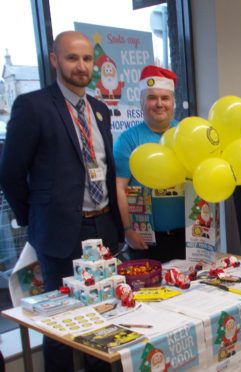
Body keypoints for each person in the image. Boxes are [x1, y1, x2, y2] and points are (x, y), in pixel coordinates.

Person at [0, 31, 123, 371]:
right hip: (59, 233)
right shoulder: (33, 107)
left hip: (102, 225)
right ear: (55, 60)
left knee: (103, 315)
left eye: (86, 59)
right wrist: (36, 220)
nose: (81, 66)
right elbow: (10, 174)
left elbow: (104, 167)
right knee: (62, 324)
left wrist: (117, 226)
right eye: (72, 58)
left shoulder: (100, 110)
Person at [114, 65, 186, 263]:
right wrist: (128, 231)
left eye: (165, 98)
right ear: (141, 102)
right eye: (152, 97)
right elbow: (119, 188)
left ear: (173, 102)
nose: (159, 104)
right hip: (145, 240)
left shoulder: (187, 134)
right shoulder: (128, 139)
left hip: (188, 237)